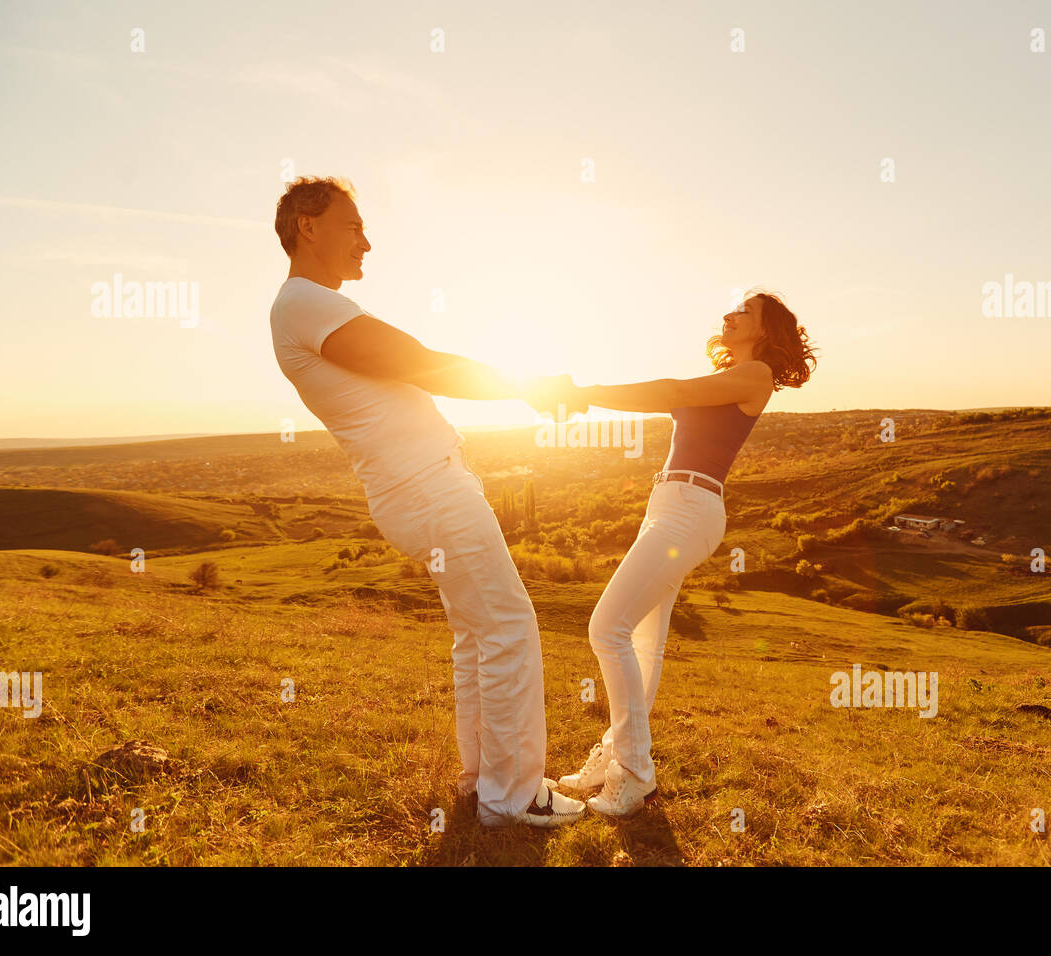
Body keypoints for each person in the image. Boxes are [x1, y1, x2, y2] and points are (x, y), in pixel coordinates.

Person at [268, 176, 586, 828]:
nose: (367, 241)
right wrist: (526, 386)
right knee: (509, 626)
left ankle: (483, 784)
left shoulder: (307, 304)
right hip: (426, 486)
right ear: (307, 225)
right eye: (353, 225)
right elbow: (416, 361)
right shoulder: (304, 302)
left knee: (477, 635)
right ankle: (514, 797)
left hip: (424, 485)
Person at [550, 292, 817, 816]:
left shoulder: (756, 374)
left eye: (746, 311)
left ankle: (633, 775)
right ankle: (616, 760)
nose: (731, 313)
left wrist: (581, 393)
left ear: (764, 331)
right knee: (643, 644)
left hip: (691, 508)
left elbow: (669, 390)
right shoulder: (726, 378)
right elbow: (670, 393)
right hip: (669, 502)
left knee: (606, 629)